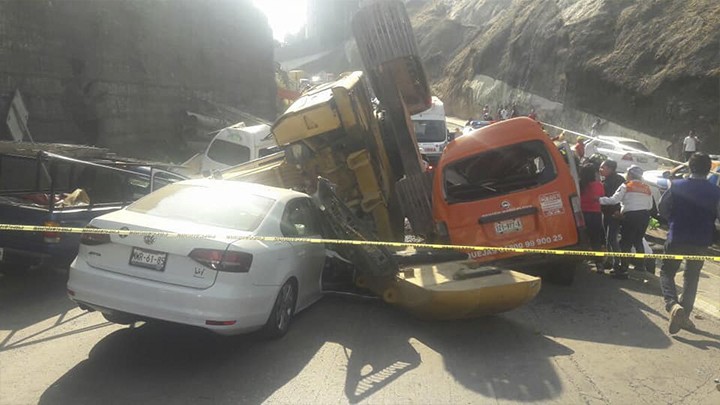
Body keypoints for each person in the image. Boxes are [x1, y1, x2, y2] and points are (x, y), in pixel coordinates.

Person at [658, 153, 720, 334]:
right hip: (701, 240)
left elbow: (663, 208)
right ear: (709, 168)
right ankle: (684, 313)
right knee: (691, 277)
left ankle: (672, 305)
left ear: (689, 167)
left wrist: (673, 219)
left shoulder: (676, 186)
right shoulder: (716, 191)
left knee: (666, 271)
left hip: (677, 235)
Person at [599, 165, 653, 279]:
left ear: (630, 174)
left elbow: (614, 200)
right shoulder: (647, 187)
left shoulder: (626, 185)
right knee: (638, 241)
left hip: (630, 216)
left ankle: (623, 270)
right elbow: (650, 205)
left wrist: (598, 200)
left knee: (625, 243)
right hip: (644, 216)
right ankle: (640, 266)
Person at [579, 164, 606, 271]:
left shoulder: (579, 185)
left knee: (582, 238)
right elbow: (602, 197)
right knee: (596, 240)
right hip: (595, 215)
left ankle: (581, 260)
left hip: (582, 214)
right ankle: (599, 264)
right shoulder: (599, 185)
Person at [599, 159, 625, 270]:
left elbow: (621, 197)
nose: (600, 170)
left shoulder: (619, 181)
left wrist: (620, 211)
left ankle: (617, 263)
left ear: (610, 169)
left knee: (612, 238)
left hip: (615, 213)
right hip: (606, 212)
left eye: (602, 167)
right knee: (607, 238)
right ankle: (609, 261)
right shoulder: (606, 180)